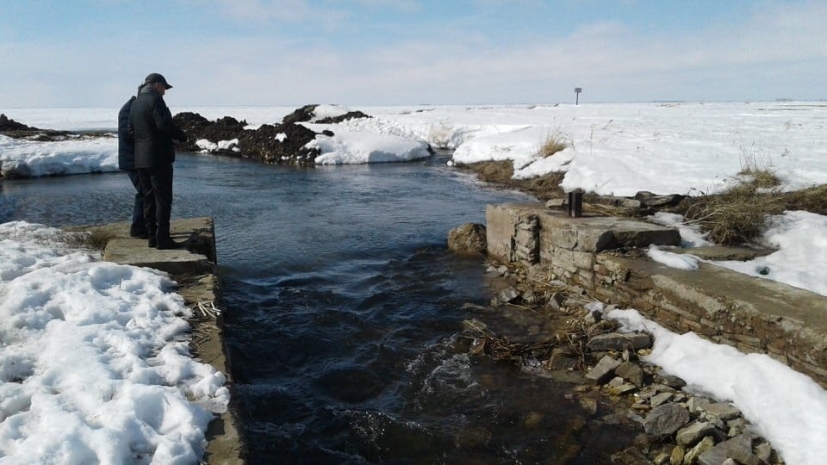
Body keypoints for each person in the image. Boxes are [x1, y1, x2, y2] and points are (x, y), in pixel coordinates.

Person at [129, 73, 187, 249]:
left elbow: (130, 130)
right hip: (158, 158)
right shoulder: (156, 100)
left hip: (140, 159)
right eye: (164, 88)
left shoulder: (136, 103)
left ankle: (152, 238)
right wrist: (181, 136)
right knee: (163, 199)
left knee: (149, 199)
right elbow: (164, 125)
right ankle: (163, 239)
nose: (164, 92)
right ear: (157, 85)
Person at [117, 91, 148, 239]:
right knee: (144, 191)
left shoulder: (132, 107)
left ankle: (143, 226)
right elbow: (128, 134)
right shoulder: (129, 109)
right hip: (132, 160)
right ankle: (138, 228)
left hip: (136, 159)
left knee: (145, 191)